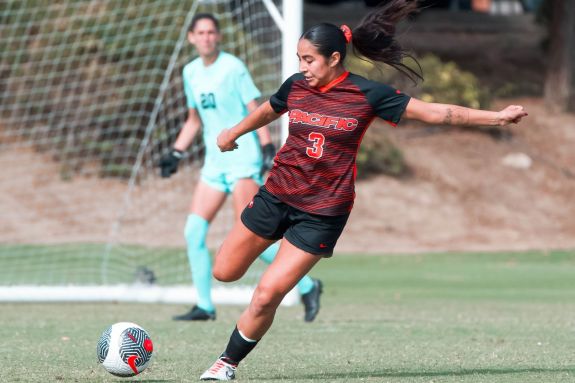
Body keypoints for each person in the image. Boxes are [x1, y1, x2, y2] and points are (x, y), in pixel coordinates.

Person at [198, 0, 528, 380]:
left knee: (266, 296)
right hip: (276, 196)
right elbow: (271, 109)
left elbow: (434, 112)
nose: (302, 67)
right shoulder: (295, 87)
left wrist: (497, 118)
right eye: (299, 59)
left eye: (309, 60)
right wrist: (233, 133)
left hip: (321, 213)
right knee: (224, 272)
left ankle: (226, 364)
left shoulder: (369, 94)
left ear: (335, 58)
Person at [159, 13, 323, 323]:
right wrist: (176, 153)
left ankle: (307, 284)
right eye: (201, 33)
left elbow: (256, 110)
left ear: (218, 36)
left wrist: (265, 147)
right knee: (193, 231)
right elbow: (195, 119)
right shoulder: (190, 71)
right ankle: (205, 306)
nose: (207, 37)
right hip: (214, 162)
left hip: (242, 159)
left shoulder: (232, 67)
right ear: (192, 38)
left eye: (211, 32)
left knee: (249, 239)